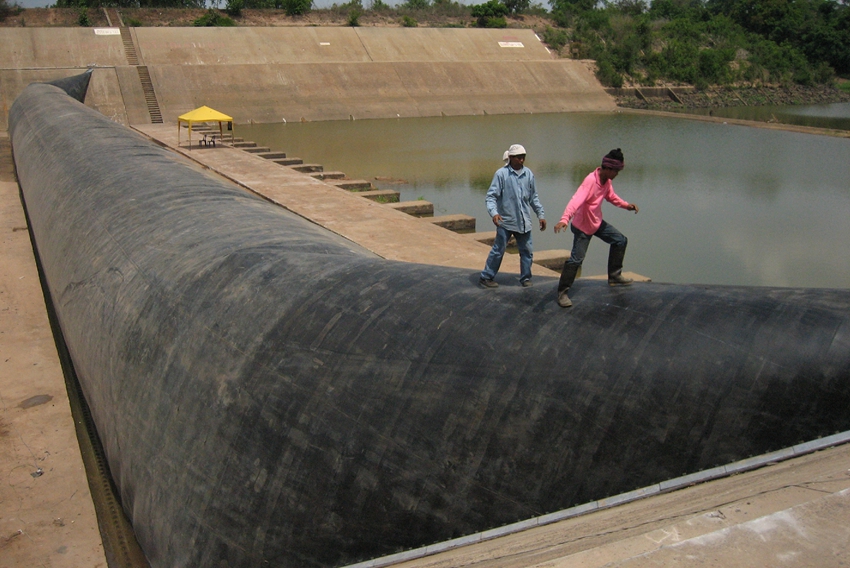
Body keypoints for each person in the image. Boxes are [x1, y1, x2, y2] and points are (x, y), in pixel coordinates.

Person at [553, 148, 639, 308]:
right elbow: (576, 200)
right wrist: (564, 219)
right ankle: (562, 292)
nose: (617, 175)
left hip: (596, 223)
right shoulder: (590, 181)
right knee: (576, 259)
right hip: (582, 227)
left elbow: (611, 197)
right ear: (607, 168)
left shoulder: (607, 181)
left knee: (620, 240)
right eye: (616, 171)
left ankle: (614, 275)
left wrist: (626, 206)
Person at [479, 144, 546, 288]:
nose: (521, 160)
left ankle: (526, 278)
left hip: (524, 222)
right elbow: (491, 197)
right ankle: (486, 276)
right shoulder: (501, 174)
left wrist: (540, 214)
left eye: (523, 157)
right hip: (506, 220)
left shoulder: (528, 174)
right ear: (511, 158)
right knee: (498, 250)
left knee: (527, 251)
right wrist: (494, 213)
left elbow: (533, 198)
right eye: (518, 158)